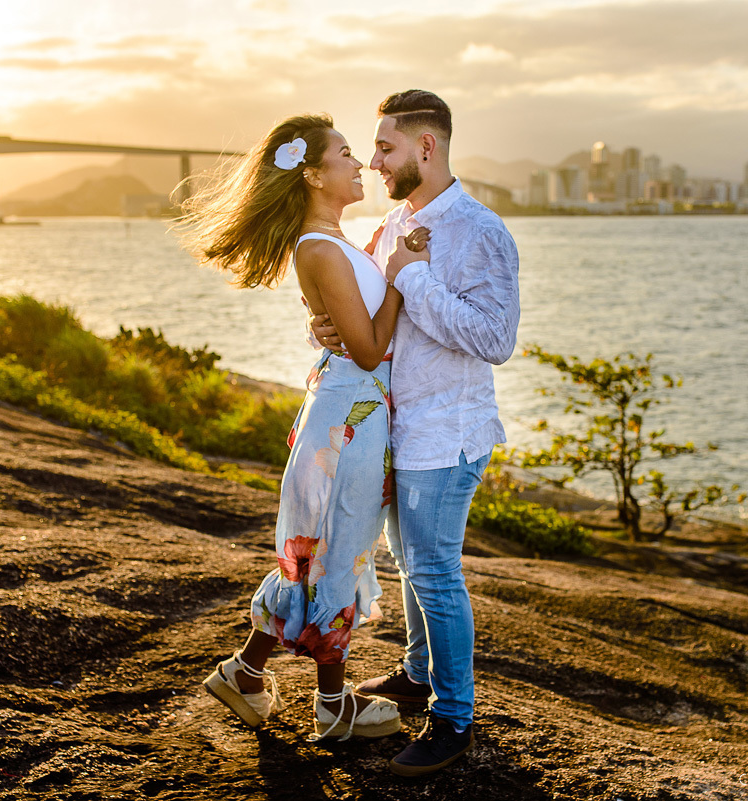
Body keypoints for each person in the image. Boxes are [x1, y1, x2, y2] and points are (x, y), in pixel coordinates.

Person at [180, 113, 430, 741]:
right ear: (315, 173)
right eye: (347, 154)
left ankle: (245, 674)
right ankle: (331, 705)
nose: (360, 164)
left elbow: (351, 329)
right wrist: (399, 278)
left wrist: (381, 271)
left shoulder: (335, 242)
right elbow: (371, 350)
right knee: (335, 548)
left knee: (322, 548)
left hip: (348, 411)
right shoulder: (319, 247)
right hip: (348, 420)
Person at [312, 90, 521, 776]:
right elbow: (375, 318)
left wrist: (417, 277)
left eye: (386, 148)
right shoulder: (388, 225)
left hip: (446, 433)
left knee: (434, 570)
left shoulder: (481, 230)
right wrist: (327, 327)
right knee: (409, 562)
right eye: (370, 150)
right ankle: (416, 672)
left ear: (426, 147)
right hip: (398, 429)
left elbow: (495, 339)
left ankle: (453, 718)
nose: (373, 162)